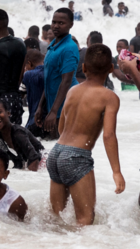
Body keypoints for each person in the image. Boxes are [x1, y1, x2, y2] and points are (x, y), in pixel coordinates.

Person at [46, 44, 124, 225]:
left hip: (56, 153)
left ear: (84, 68)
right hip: (76, 157)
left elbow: (61, 127)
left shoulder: (72, 90)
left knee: (55, 219)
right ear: (111, 69)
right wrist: (116, 172)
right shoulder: (109, 97)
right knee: (85, 221)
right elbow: (108, 135)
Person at [34, 8, 80, 136]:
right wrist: (40, 106)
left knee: (65, 147)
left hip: (67, 106)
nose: (55, 26)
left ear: (71, 24)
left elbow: (66, 81)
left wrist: (53, 111)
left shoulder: (69, 48)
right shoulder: (52, 45)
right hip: (53, 106)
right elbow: (49, 79)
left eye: (61, 23)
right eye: (54, 22)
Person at [21, 46, 46, 133]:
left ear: (29, 63)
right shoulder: (50, 72)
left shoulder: (28, 75)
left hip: (34, 121)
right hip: (50, 120)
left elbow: (20, 94)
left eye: (25, 66)